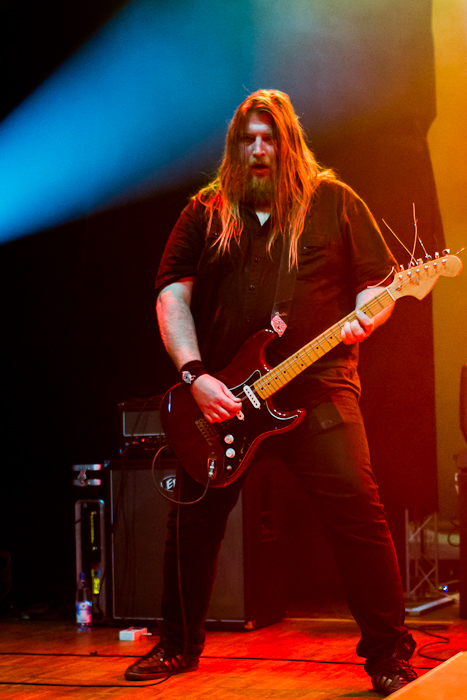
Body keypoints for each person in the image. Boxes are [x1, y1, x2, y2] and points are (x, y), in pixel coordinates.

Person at [124, 90, 417, 696]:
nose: (258, 151)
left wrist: (369, 314)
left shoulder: (332, 201)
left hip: (320, 388)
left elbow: (375, 283)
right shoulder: (206, 210)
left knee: (360, 517)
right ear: (234, 149)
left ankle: (388, 655)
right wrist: (195, 376)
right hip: (223, 399)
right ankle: (177, 646)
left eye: (269, 139)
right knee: (192, 524)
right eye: (247, 140)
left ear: (289, 144)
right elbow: (170, 298)